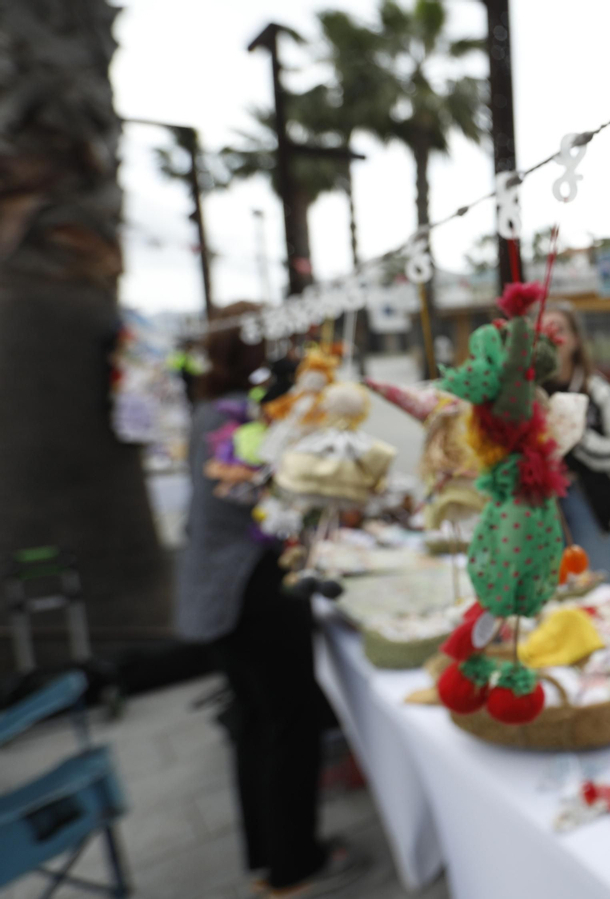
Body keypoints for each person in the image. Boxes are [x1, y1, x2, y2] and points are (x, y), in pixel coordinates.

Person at [175, 304, 365, 897]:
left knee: (257, 726)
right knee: (289, 724)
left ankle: (267, 857)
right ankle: (294, 866)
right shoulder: (236, 418)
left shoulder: (212, 409)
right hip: (249, 590)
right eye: (278, 345)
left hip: (217, 594)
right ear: (254, 352)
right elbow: (271, 498)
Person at [545, 302, 610, 587]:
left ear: (574, 339)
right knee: (555, 594)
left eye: (557, 330)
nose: (549, 338)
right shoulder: (525, 393)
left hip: (590, 502)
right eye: (540, 332)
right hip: (542, 508)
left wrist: (576, 437)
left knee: (600, 590)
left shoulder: (596, 390)